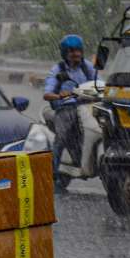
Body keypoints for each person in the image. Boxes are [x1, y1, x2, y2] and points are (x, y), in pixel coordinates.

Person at [43, 34, 96, 189]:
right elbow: (47, 93)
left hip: (87, 107)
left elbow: (99, 84)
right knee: (61, 139)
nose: (76, 54)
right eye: (72, 51)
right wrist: (59, 95)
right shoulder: (57, 70)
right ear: (65, 53)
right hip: (66, 109)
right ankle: (51, 175)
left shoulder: (87, 67)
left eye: (78, 50)